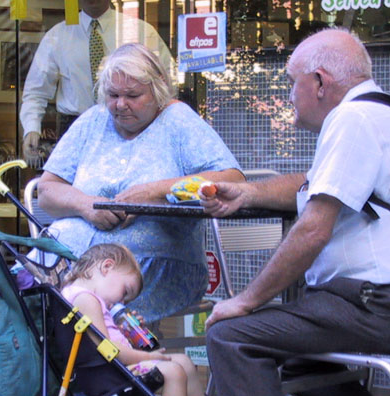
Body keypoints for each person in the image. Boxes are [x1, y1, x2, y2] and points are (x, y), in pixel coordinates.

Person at [200, 28, 390, 396]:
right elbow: (314, 184)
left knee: (231, 336)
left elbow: (314, 229)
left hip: (380, 308)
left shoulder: (352, 120)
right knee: (297, 359)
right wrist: (250, 192)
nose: (288, 94)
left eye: (291, 82)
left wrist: (245, 300)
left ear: (319, 81)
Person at [37, 42, 244, 323]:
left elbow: (232, 180)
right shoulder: (92, 121)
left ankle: (98, 359)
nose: (120, 105)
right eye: (112, 95)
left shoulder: (178, 121)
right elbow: (47, 191)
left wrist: (155, 192)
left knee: (77, 308)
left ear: (157, 90)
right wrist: (87, 206)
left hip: (147, 266)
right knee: (20, 293)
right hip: (69, 256)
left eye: (132, 95)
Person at [60, 243, 229, 396]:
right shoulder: (86, 299)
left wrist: (125, 332)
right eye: (125, 292)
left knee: (183, 361)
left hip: (112, 368)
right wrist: (148, 357)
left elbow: (102, 342)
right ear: (106, 267)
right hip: (106, 375)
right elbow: (109, 350)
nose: (120, 302)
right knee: (173, 371)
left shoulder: (84, 297)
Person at [20, 0, 173, 159]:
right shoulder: (57, 36)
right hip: (74, 128)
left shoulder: (139, 31)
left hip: (131, 125)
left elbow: (167, 83)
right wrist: (31, 128)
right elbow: (36, 92)